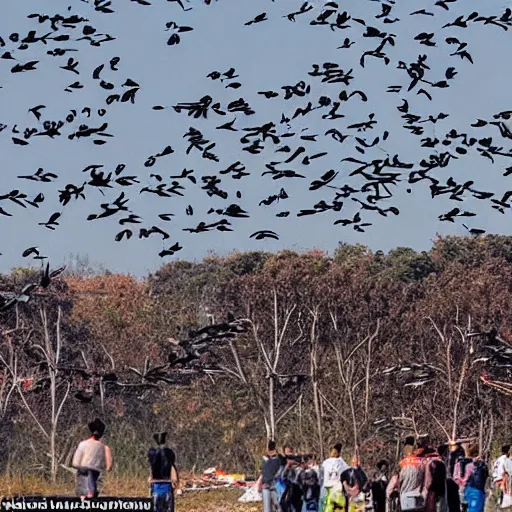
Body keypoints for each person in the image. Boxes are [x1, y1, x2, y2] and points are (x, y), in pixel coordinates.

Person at [72, 418, 113, 498]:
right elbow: (108, 466)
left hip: (82, 472)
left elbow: (75, 462)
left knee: (82, 491)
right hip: (95, 473)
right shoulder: (104, 448)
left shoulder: (83, 444)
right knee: (92, 488)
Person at [148, 432, 179, 512]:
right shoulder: (169, 453)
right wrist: (175, 483)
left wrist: (150, 483)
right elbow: (173, 472)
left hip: (156, 486)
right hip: (166, 486)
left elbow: (151, 470)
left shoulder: (152, 453)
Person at [397, 437, 428, 512]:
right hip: (419, 494)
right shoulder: (422, 462)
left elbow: (399, 479)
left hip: (406, 495)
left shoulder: (403, 463)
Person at [454, 445, 488, 512]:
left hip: (463, 490)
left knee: (465, 508)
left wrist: (462, 484)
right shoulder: (479, 464)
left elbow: (456, 478)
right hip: (475, 490)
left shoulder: (460, 462)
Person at [319, 443, 349, 512]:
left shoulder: (325, 462)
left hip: (326, 490)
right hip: (337, 490)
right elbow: (348, 472)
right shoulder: (341, 463)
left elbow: (320, 476)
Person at [257, 440, 285, 512]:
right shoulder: (265, 459)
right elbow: (263, 473)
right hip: (266, 486)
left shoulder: (280, 459)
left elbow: (281, 471)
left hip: (276, 487)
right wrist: (259, 482)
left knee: (279, 507)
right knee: (267, 509)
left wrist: (276, 479)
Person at [424, 446, 447, 512]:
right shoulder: (441, 460)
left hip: (431, 488)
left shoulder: (427, 461)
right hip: (441, 487)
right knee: (441, 506)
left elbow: (428, 477)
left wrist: (426, 487)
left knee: (430, 507)